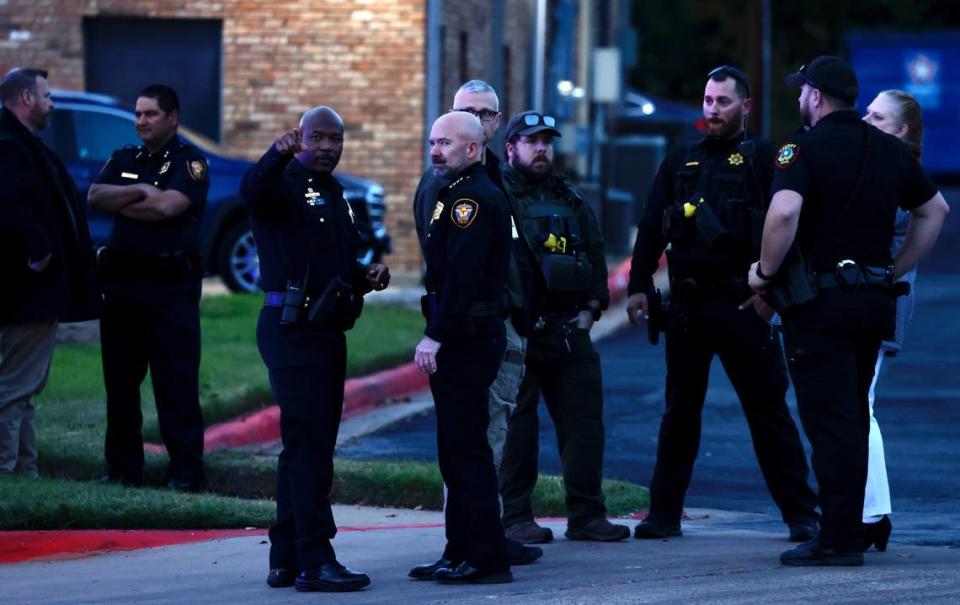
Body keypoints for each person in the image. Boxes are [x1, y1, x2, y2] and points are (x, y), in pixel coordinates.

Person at [748, 55, 949, 566]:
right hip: (873, 302)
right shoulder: (887, 150)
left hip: (821, 306)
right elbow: (935, 210)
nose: (799, 98)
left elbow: (784, 212)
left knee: (828, 421)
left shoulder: (802, 148)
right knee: (855, 417)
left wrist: (765, 274)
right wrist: (895, 267)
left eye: (802, 91)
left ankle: (837, 537)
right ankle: (851, 529)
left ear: (815, 96)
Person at [625, 66, 819, 542]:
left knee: (768, 412)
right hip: (689, 305)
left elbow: (792, 227)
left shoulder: (766, 159)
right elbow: (652, 225)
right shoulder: (679, 161)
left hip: (743, 303)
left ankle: (801, 514)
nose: (712, 110)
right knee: (678, 414)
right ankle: (664, 513)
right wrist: (638, 285)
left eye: (723, 102)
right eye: (708, 101)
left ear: (745, 107)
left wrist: (773, 295)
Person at [241, 106, 388, 592]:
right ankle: (315, 560)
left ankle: (284, 558)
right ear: (300, 138)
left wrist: (364, 277)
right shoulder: (282, 181)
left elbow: (336, 260)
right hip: (291, 329)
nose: (327, 147)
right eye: (317, 138)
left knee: (304, 446)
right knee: (310, 448)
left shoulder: (336, 191)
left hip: (325, 328)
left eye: (335, 139)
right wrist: (273, 156)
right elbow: (253, 195)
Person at [409, 80, 541, 580]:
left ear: (474, 147)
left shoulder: (475, 199)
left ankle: (484, 557)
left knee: (469, 450)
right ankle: (459, 549)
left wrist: (435, 334)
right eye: (433, 143)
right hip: (464, 332)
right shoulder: (451, 190)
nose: (436, 151)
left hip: (470, 335)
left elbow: (461, 277)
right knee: (455, 448)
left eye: (445, 144)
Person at [498, 111, 630, 543]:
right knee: (519, 432)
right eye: (531, 141)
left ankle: (587, 516)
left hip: (568, 332)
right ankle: (515, 517)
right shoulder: (496, 196)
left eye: (547, 142)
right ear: (510, 147)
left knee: (584, 425)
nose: (542, 149)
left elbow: (595, 254)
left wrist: (592, 309)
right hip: (520, 333)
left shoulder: (570, 198)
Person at [88, 84, 208, 492]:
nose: (141, 121)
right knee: (120, 386)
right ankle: (122, 470)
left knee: (175, 386)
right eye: (138, 114)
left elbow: (168, 207)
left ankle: (186, 473)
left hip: (169, 289)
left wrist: (127, 201)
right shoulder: (124, 157)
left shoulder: (190, 162)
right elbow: (95, 196)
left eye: (150, 114)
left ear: (172, 118)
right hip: (121, 287)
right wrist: (140, 190)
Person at [0, 68, 100, 477]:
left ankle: (25, 472)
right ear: (26, 99)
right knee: (15, 386)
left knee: (24, 387)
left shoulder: (20, 144)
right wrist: (40, 251)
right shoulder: (9, 147)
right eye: (47, 96)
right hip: (26, 290)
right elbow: (9, 205)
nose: (52, 104)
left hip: (31, 291)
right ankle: (7, 471)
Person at [859, 89, 926, 551]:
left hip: (879, 302)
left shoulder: (899, 172)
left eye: (877, 116)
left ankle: (871, 514)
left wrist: (891, 272)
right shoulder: (892, 167)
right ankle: (871, 512)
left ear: (900, 131)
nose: (865, 118)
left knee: (857, 404)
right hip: (879, 298)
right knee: (860, 403)